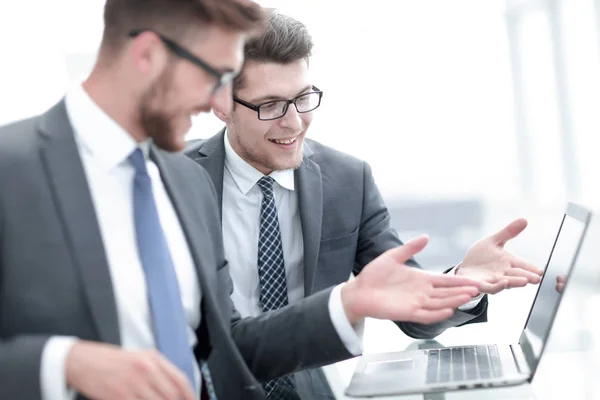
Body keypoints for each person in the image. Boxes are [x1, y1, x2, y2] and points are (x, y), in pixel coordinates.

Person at [0, 1, 484, 400]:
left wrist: (348, 302)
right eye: (216, 75)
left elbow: (227, 347)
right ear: (148, 55)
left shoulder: (180, 181)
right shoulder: (11, 170)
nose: (217, 104)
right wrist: (61, 363)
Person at [185, 10, 544, 398]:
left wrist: (462, 284)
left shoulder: (347, 180)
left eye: (303, 98)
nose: (294, 123)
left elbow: (412, 312)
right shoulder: (172, 178)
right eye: (270, 105)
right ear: (222, 105)